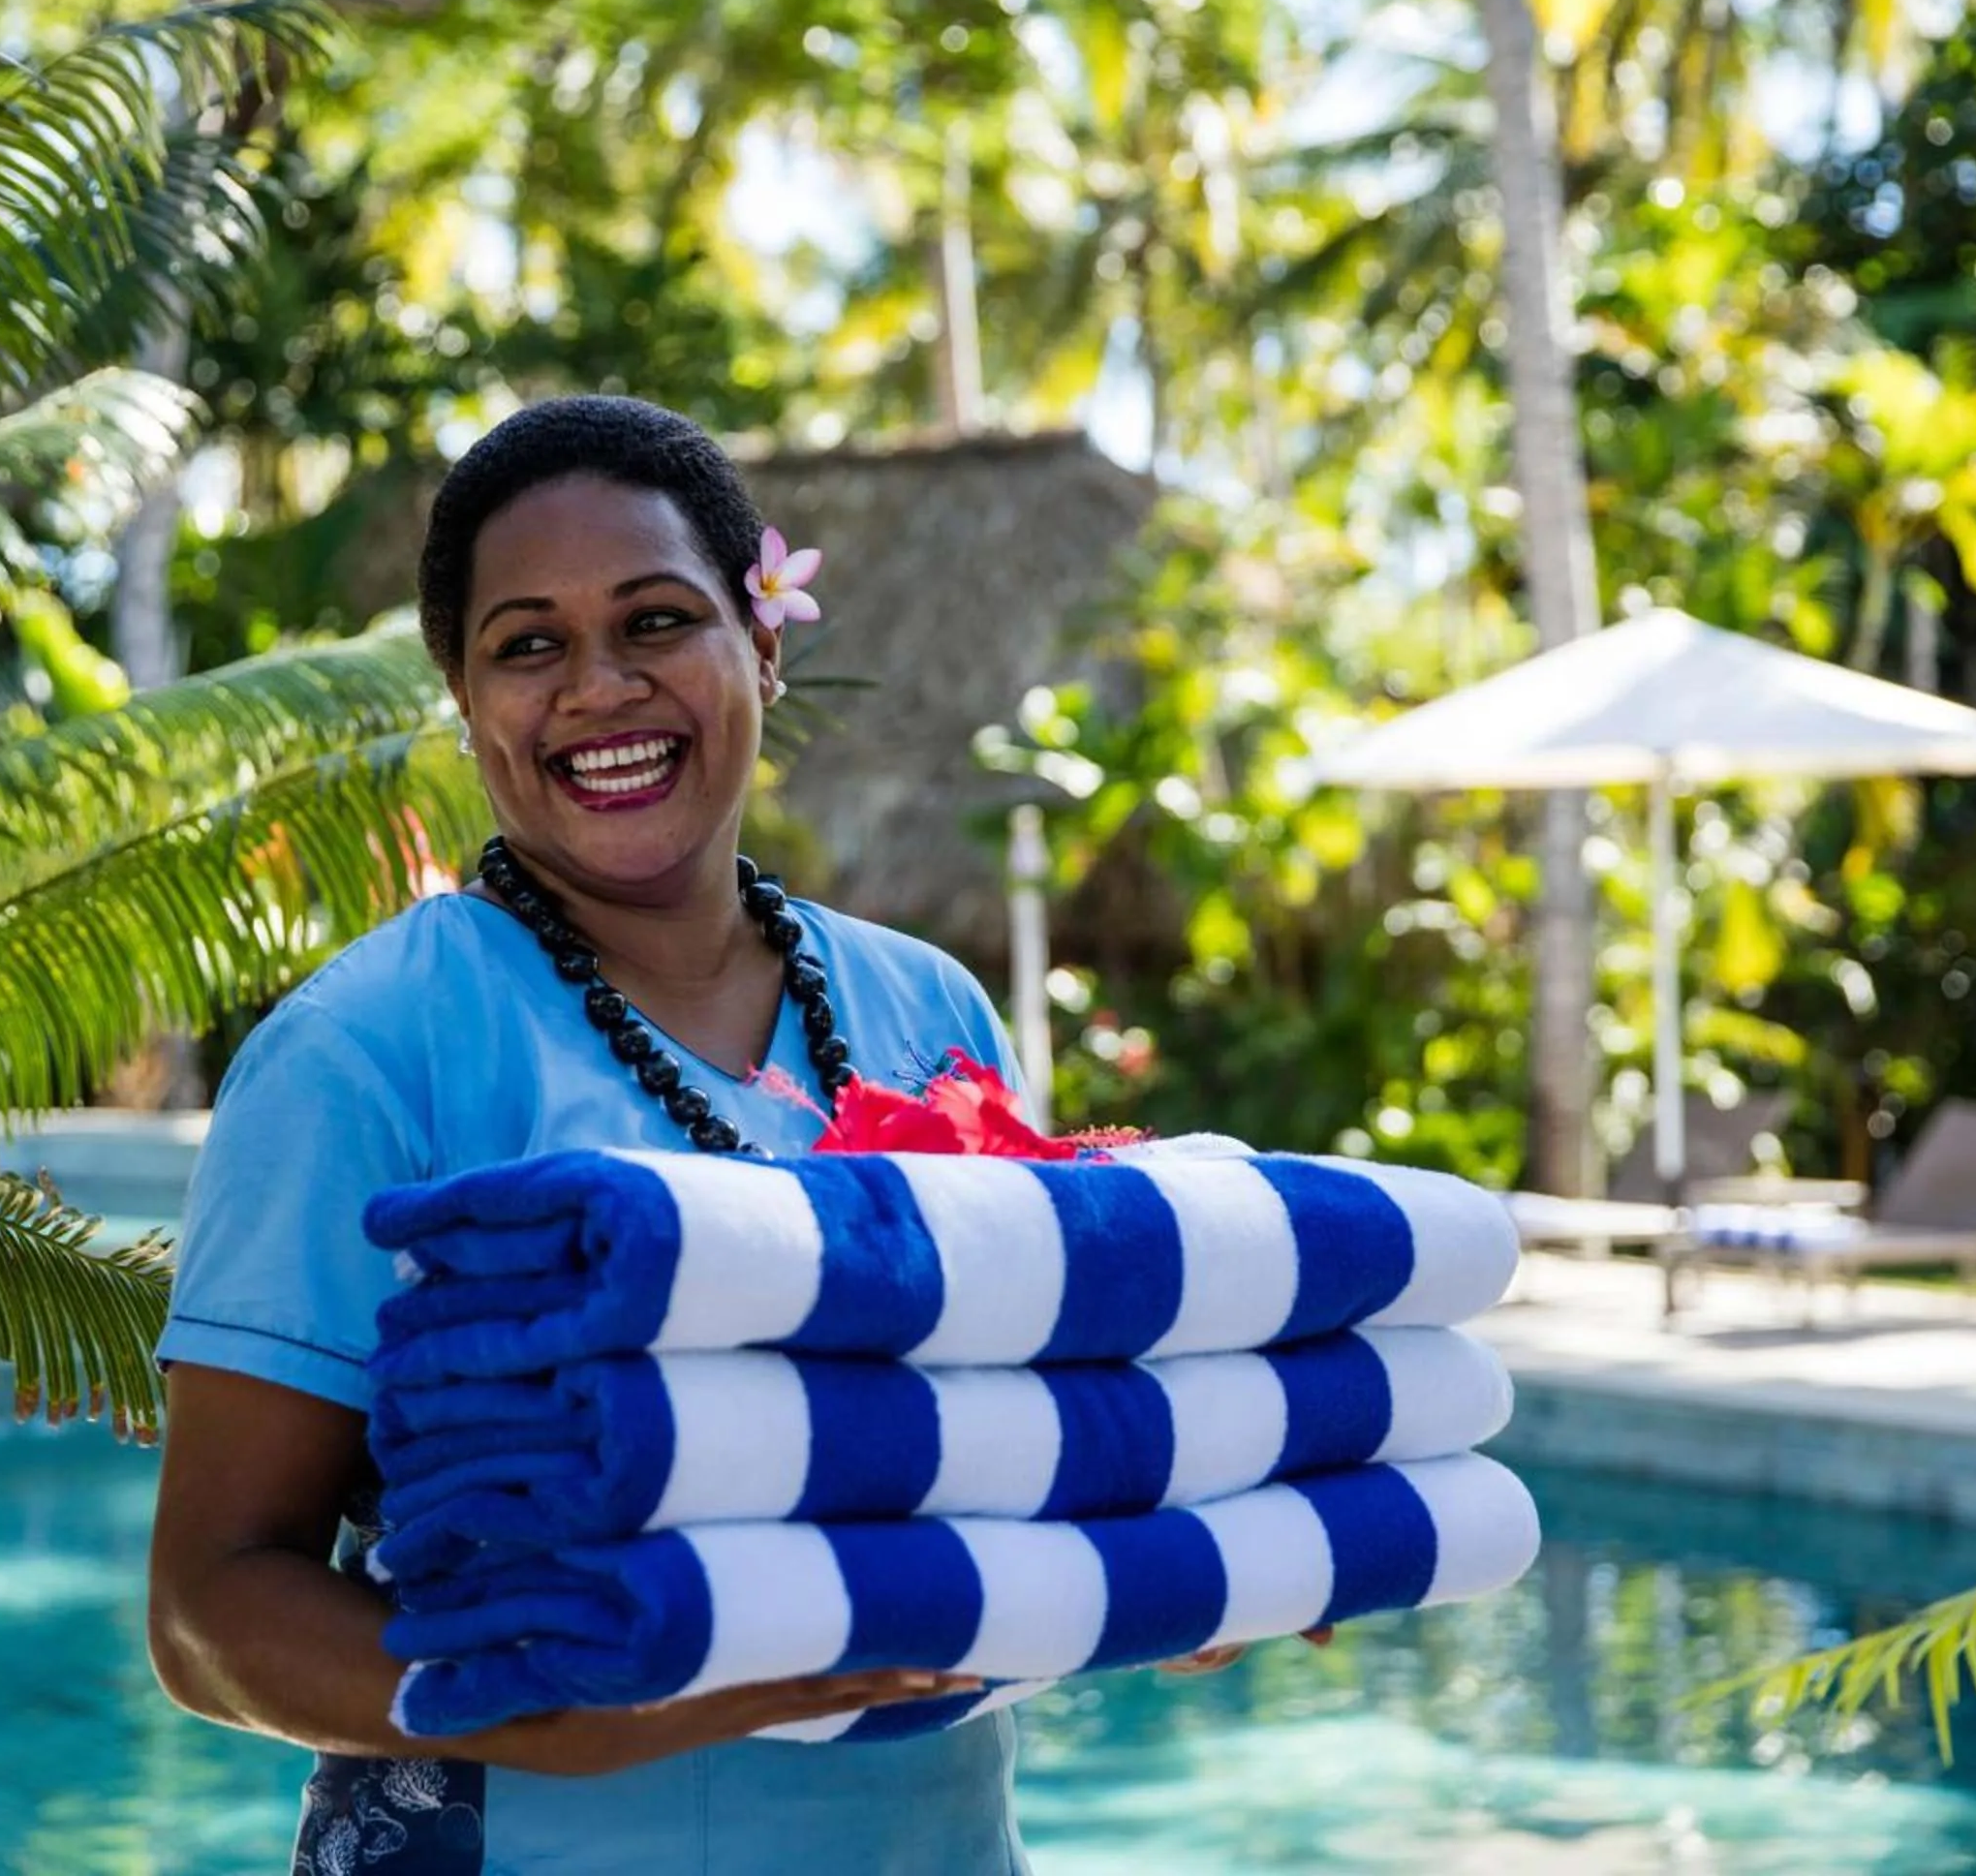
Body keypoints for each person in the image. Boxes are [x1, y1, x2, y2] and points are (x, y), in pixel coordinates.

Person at [145, 395, 1271, 1874]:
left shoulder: (926, 1005)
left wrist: (1169, 1565)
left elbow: (1026, 1438)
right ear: (464, 696)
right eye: (528, 644)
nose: (599, 688)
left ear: (765, 641)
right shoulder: (365, 1055)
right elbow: (211, 1609)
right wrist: (547, 1711)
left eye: (658, 621)